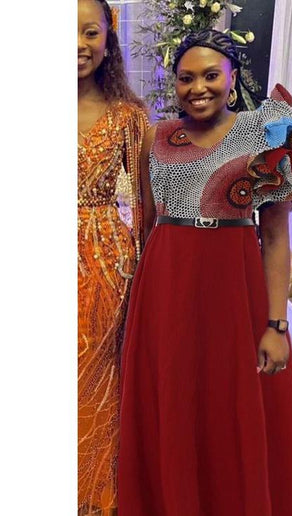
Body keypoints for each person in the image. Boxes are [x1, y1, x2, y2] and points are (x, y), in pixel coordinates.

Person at [118, 29, 292, 516]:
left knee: (232, 404)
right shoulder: (157, 136)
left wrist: (277, 325)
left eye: (211, 75)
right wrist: (139, 308)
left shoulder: (263, 134)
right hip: (166, 284)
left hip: (235, 286)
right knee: (174, 400)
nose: (198, 88)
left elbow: (274, 236)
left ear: (233, 79)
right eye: (185, 78)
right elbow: (147, 223)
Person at [78, 0, 149, 514]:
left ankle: (98, 496)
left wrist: (148, 277)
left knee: (101, 376)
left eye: (90, 32)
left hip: (107, 262)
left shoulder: (129, 115)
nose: (78, 46)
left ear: (109, 36)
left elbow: (145, 204)